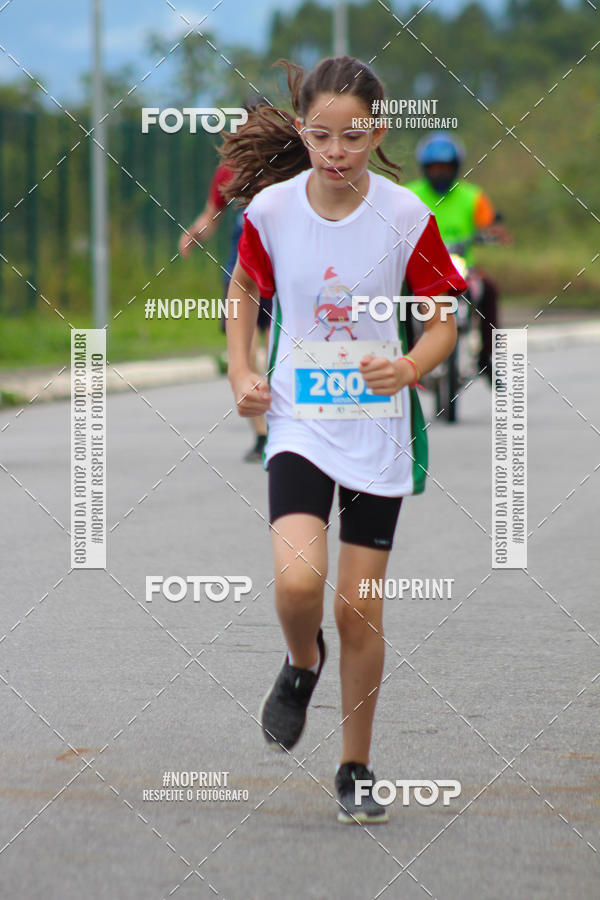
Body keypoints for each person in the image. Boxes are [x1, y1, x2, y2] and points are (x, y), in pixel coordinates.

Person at [222, 57, 466, 824]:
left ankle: (355, 764)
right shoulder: (270, 212)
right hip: (298, 420)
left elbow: (443, 320)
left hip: (377, 428)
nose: (335, 151)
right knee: (298, 585)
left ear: (377, 133)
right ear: (302, 130)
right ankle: (301, 665)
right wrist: (242, 372)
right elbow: (244, 290)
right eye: (321, 135)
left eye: (352, 136)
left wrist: (410, 365)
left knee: (361, 608)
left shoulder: (405, 217)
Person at [179, 162, 272, 462]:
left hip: (278, 270)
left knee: (275, 352)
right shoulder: (229, 170)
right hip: (239, 271)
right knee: (244, 355)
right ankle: (262, 435)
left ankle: (285, 424)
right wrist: (195, 233)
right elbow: (212, 214)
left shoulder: (289, 166)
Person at [405, 131, 511, 381]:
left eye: (446, 167)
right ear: (424, 168)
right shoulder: (409, 195)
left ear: (455, 167)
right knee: (400, 297)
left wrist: (494, 233)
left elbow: (492, 225)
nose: (440, 172)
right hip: (422, 272)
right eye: (434, 167)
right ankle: (406, 354)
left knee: (490, 289)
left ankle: (486, 356)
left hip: (462, 269)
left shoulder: (472, 196)